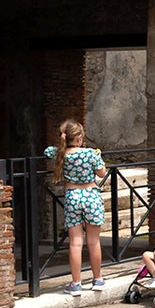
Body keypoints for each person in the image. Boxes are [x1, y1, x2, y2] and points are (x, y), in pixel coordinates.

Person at [45, 120, 108, 295]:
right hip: (91, 196)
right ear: (80, 138)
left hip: (73, 196)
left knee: (75, 242)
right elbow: (102, 173)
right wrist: (98, 154)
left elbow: (48, 151)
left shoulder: (61, 154)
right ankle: (97, 279)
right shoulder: (91, 154)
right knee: (94, 241)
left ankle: (76, 283)